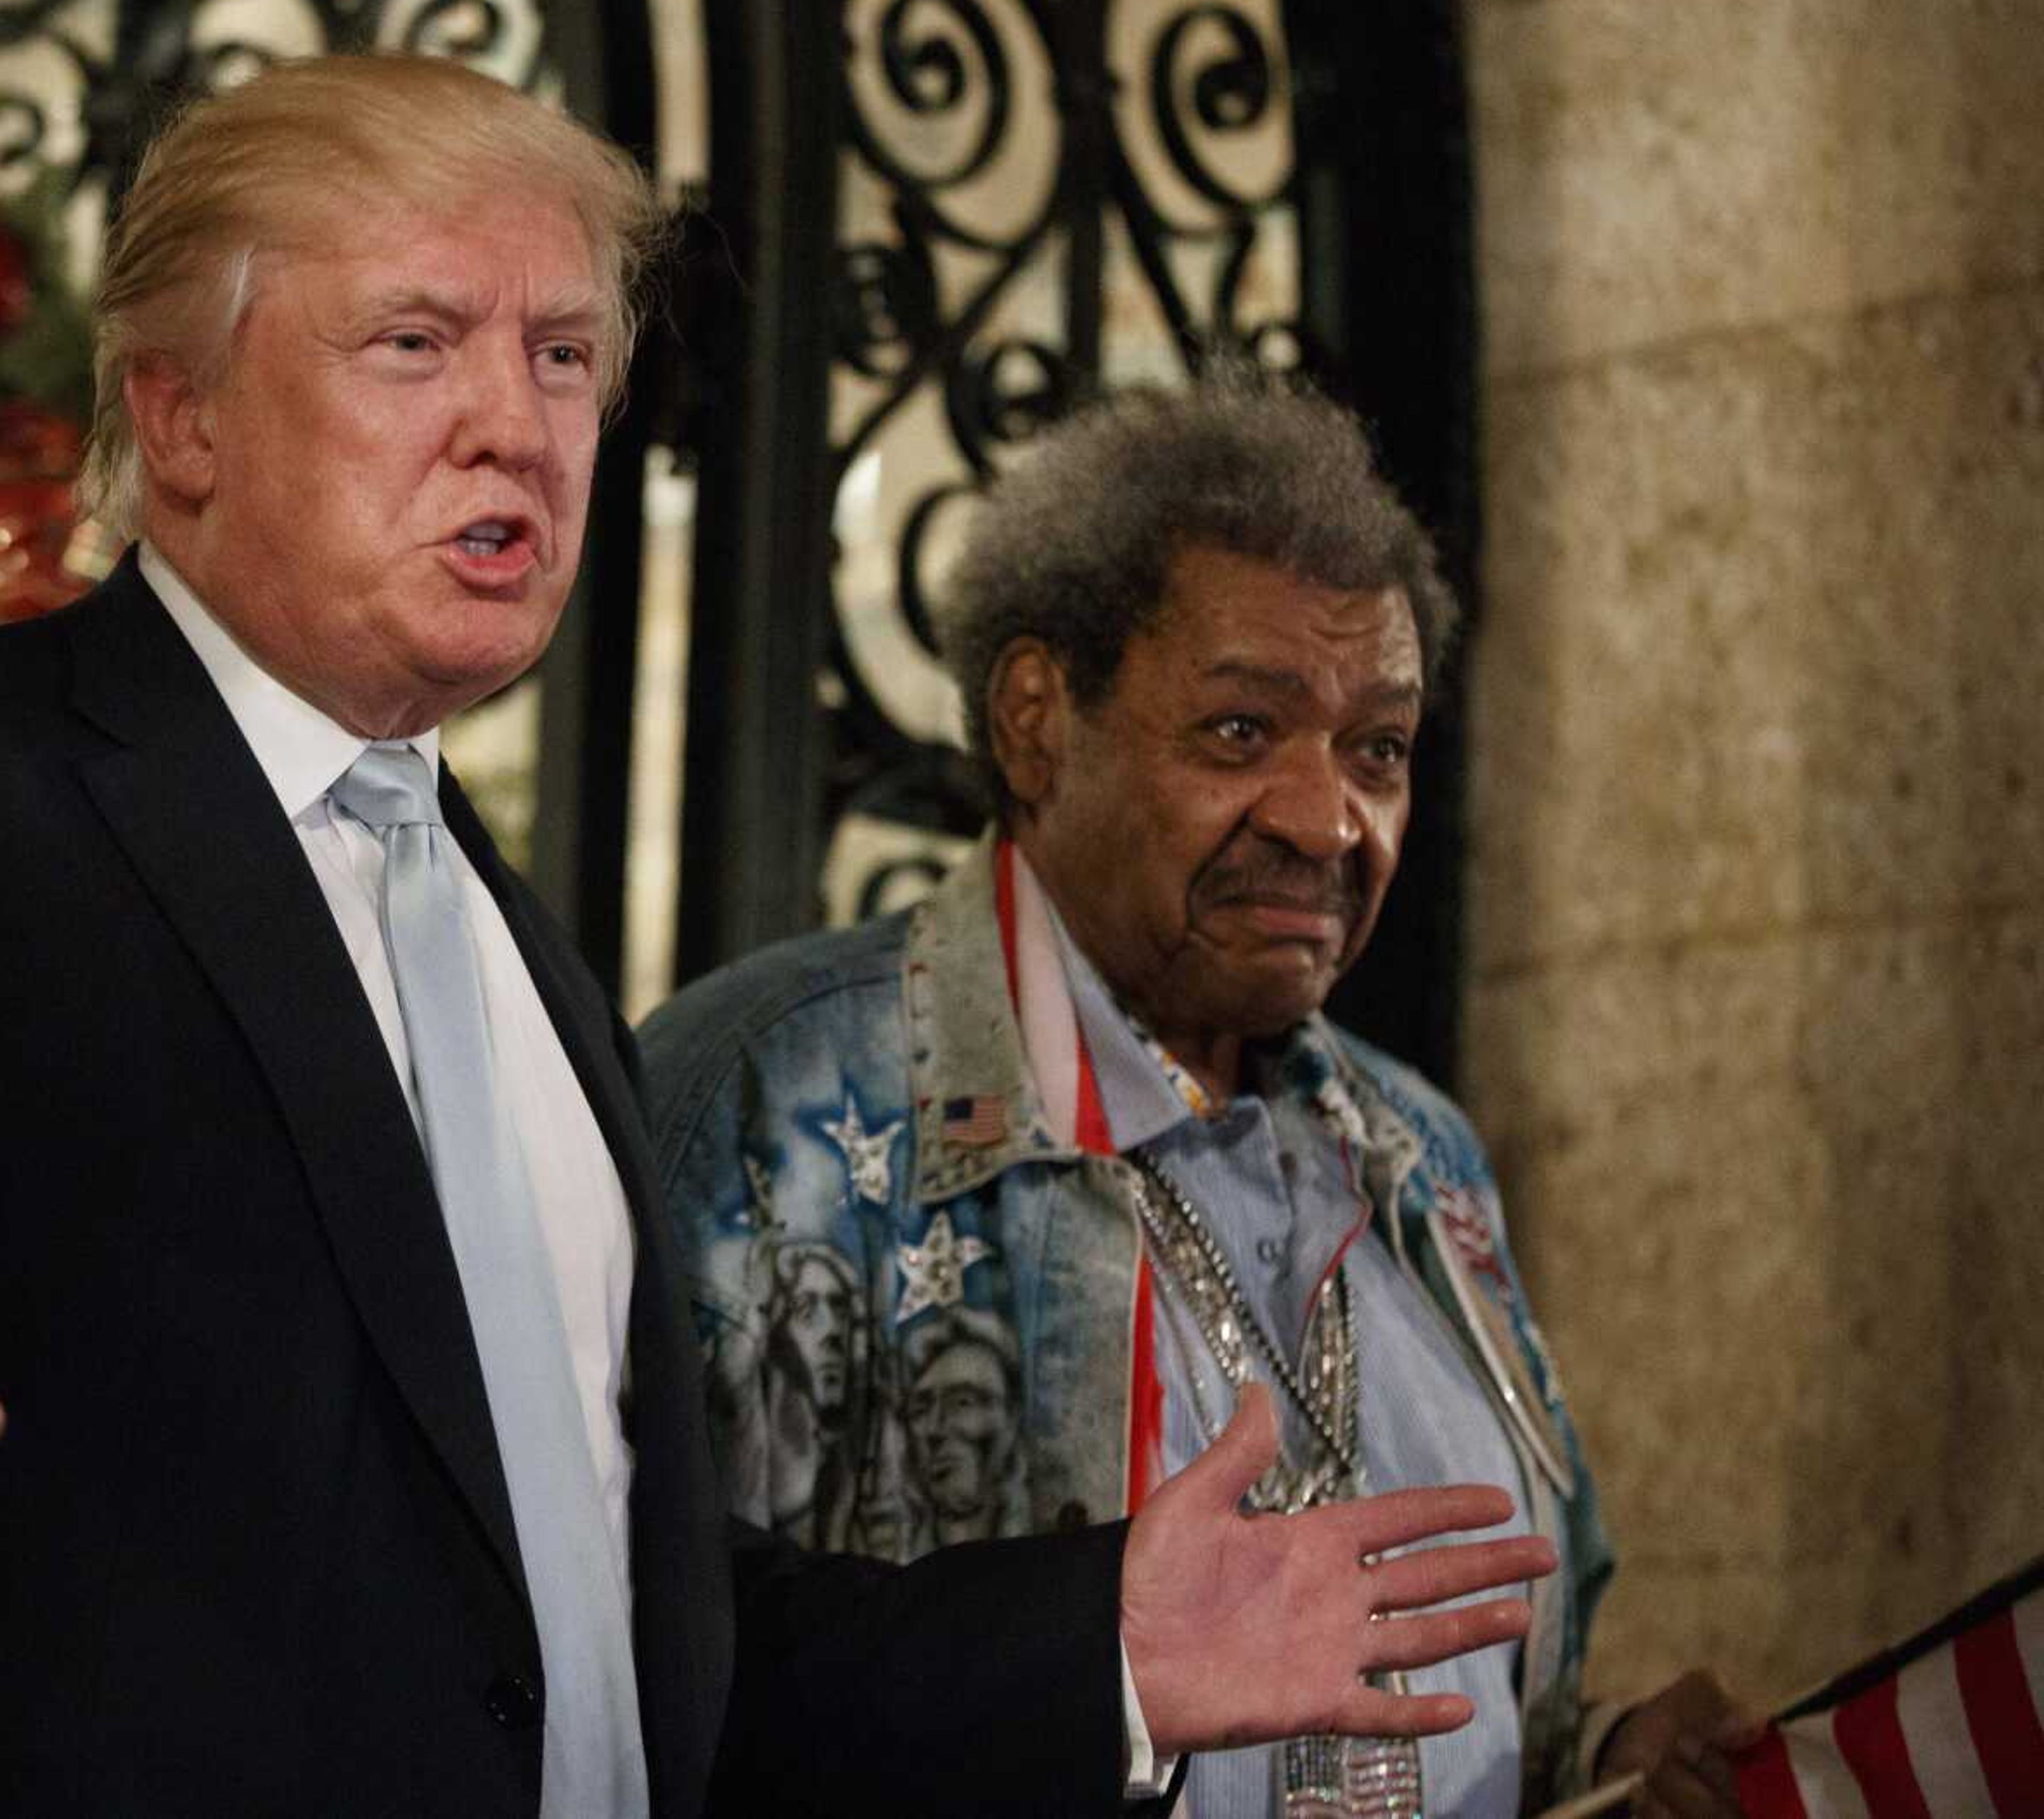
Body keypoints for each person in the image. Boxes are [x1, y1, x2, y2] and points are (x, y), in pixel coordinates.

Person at [0, 62, 1554, 1817]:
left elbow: (599, 1652)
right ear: (179, 415)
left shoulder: (511, 943)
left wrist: (1088, 1645)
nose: (516, 425)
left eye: (562, 355)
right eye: (414, 342)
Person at [642, 380, 1759, 1818]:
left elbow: (1469, 1706)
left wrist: (1597, 1762)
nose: (1325, 821)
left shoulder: (1421, 1152)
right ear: (1040, 724)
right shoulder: (761, 1102)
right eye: (1241, 732)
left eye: (1379, 751)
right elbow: (632, 1698)